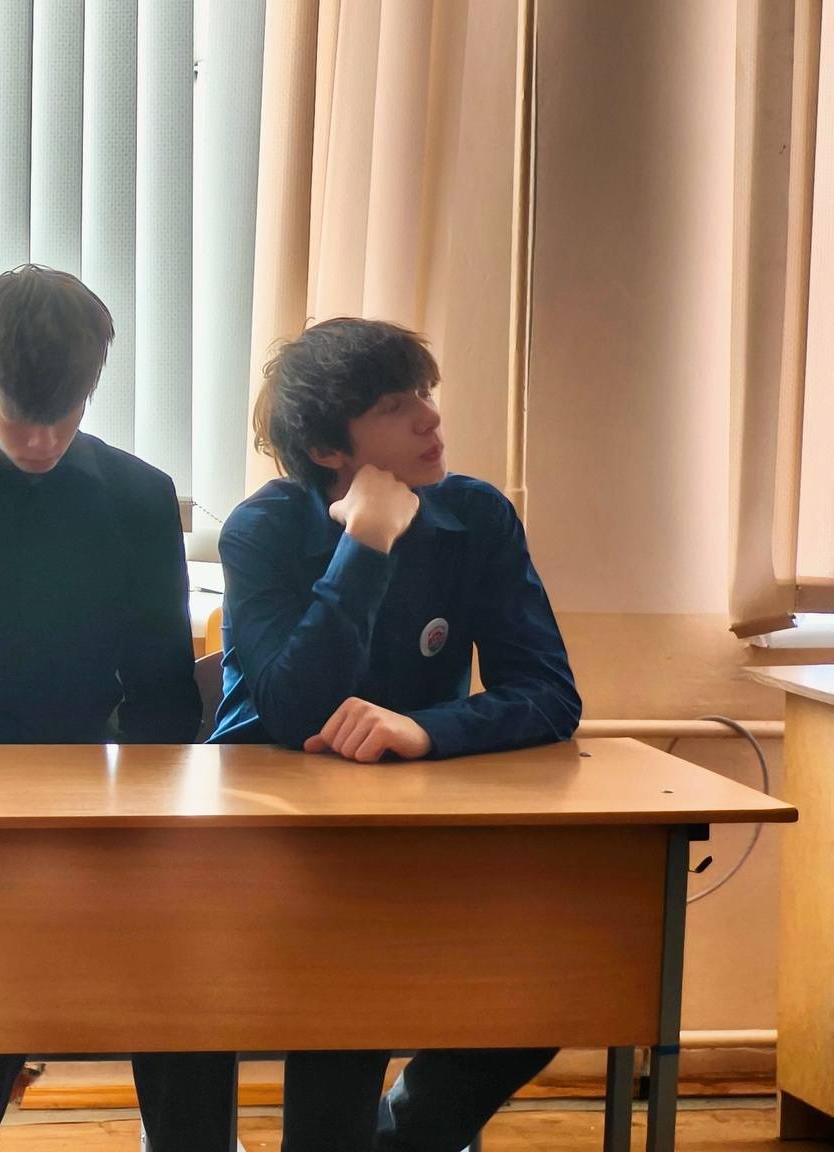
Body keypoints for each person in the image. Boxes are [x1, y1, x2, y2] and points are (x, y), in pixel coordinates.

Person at [0, 265, 232, 1152]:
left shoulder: (138, 496)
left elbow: (160, 691)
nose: (43, 440)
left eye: (65, 416)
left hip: (99, 803)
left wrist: (134, 821)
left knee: (190, 982)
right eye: (22, 417)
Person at [214, 317, 583, 1152]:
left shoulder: (477, 517)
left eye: (424, 392)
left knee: (561, 978)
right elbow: (293, 711)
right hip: (271, 841)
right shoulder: (263, 529)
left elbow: (550, 693)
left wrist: (425, 729)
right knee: (349, 982)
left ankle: (404, 1131)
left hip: (415, 825)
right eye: (392, 405)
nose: (429, 418)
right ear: (327, 448)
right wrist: (368, 541)